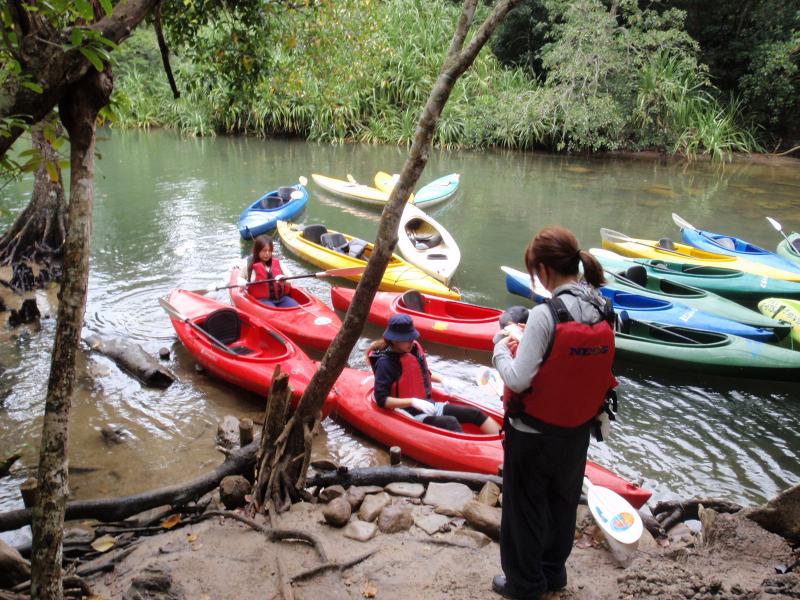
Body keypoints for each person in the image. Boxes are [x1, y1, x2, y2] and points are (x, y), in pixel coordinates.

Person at [491, 226, 617, 599]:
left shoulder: (548, 313)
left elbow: (518, 377)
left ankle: (525, 585)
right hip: (577, 431)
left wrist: (499, 346)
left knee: (524, 509)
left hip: (532, 434)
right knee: (561, 504)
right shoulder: (603, 307)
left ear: (544, 271)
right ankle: (552, 574)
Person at [367, 314, 501, 434]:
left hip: (428, 405)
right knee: (451, 422)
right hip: (407, 413)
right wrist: (412, 402)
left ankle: (502, 444)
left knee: (475, 414)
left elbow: (422, 375)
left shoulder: (412, 349)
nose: (411, 341)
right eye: (406, 339)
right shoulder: (386, 363)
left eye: (412, 337)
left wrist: (443, 379)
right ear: (394, 340)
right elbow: (382, 400)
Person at [246, 235, 299, 308]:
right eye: (264, 251)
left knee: (296, 307)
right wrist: (246, 282)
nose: (267, 253)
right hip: (262, 300)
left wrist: (284, 281)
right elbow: (242, 280)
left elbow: (291, 279)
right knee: (272, 309)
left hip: (281, 298)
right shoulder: (250, 266)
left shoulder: (278, 263)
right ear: (257, 251)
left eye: (269, 250)